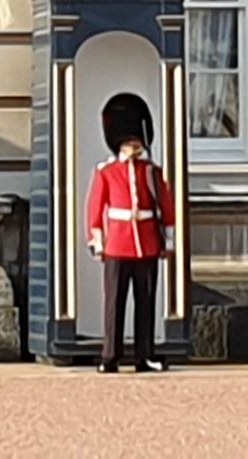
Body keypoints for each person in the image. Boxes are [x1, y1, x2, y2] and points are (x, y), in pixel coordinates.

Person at [86, 93, 176, 374]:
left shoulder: (151, 171)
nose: (134, 145)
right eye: (130, 140)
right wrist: (97, 242)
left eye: (136, 140)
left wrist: (169, 239)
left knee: (146, 303)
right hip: (117, 244)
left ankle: (145, 354)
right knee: (115, 303)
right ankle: (110, 354)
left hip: (146, 243)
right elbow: (95, 208)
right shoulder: (106, 172)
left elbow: (167, 207)